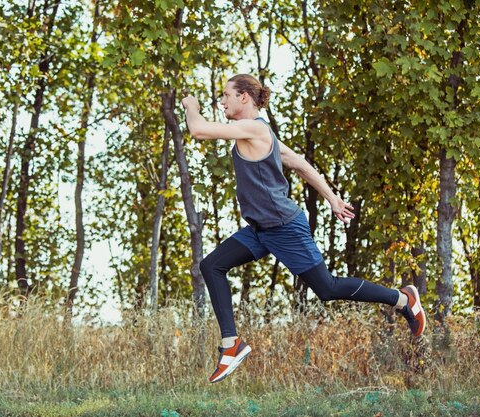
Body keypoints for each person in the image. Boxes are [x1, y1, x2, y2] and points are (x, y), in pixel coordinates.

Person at [181, 74, 427, 384]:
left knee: (328, 288)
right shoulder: (257, 134)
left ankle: (404, 300)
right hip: (260, 229)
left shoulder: (255, 128)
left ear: (244, 97)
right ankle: (231, 345)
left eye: (227, 95)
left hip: (284, 228)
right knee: (212, 265)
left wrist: (191, 105)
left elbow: (199, 129)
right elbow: (299, 162)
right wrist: (333, 199)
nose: (223, 101)